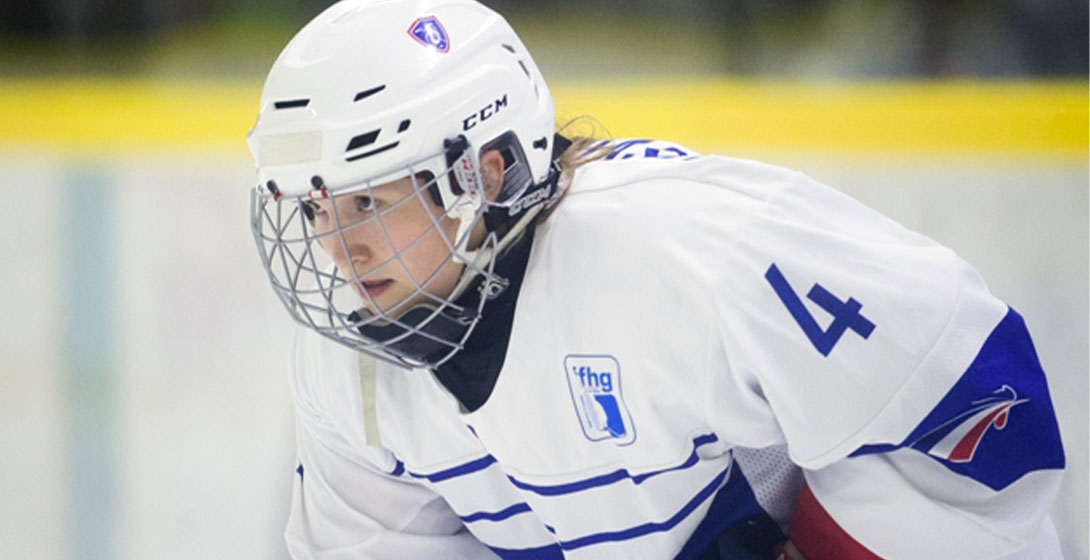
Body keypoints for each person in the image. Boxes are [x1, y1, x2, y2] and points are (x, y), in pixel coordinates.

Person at [246, 1, 1066, 558]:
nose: (337, 248)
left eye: (366, 201)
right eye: (314, 208)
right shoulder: (346, 371)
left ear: (486, 175)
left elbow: (974, 390)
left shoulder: (684, 254)